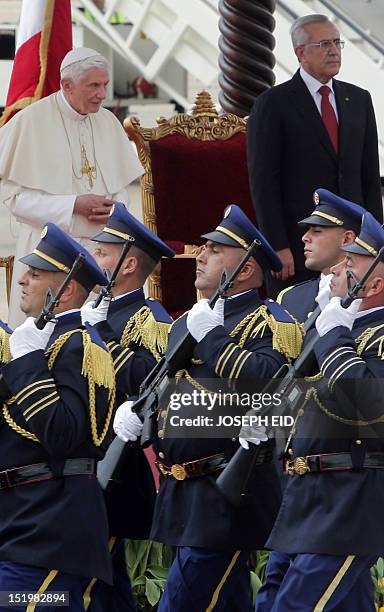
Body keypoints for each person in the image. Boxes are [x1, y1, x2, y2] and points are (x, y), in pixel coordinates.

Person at [114, 204, 304, 611]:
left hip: (226, 497)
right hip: (184, 495)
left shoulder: (270, 321)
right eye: (205, 247)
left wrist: (214, 338)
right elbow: (169, 388)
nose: (200, 255)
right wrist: (138, 410)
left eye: (216, 250)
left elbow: (266, 387)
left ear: (247, 270)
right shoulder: (188, 322)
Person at [261, 212, 384, 610]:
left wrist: (334, 340)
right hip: (306, 497)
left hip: (351, 500)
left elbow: (373, 410)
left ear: (374, 284)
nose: (339, 269)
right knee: (272, 597)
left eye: (350, 264)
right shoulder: (330, 329)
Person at [0, 223, 116, 609]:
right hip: (23, 522)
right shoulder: (39, 343)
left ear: (64, 290)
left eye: (35, 274)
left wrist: (29, 362)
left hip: (49, 528)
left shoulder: (79, 347)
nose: (22, 280)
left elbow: (64, 434)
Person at [0, 47, 143, 328]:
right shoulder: (31, 122)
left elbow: (119, 186)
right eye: (93, 86)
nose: (102, 94)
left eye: (104, 85)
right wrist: (74, 205)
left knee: (97, 337)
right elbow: (16, 201)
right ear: (67, 85)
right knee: (42, 336)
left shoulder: (107, 121)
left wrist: (115, 208)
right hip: (47, 249)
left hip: (101, 250)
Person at [79, 202, 175, 611]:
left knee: (91, 579)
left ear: (130, 264)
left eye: (102, 253)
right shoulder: (90, 309)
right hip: (87, 461)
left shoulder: (148, 318)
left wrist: (99, 334)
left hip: (116, 467)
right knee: (104, 580)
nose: (93, 259)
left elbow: (150, 385)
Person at [247, 13, 383, 295]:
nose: (334, 50)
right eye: (324, 44)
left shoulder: (358, 100)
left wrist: (375, 240)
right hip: (298, 247)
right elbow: (264, 183)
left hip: (353, 243)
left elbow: (369, 176)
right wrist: (277, 245)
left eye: (337, 43)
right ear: (301, 53)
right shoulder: (273, 104)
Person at [277, 188, 365, 323]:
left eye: (317, 231)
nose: (305, 237)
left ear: (347, 239)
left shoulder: (368, 298)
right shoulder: (289, 297)